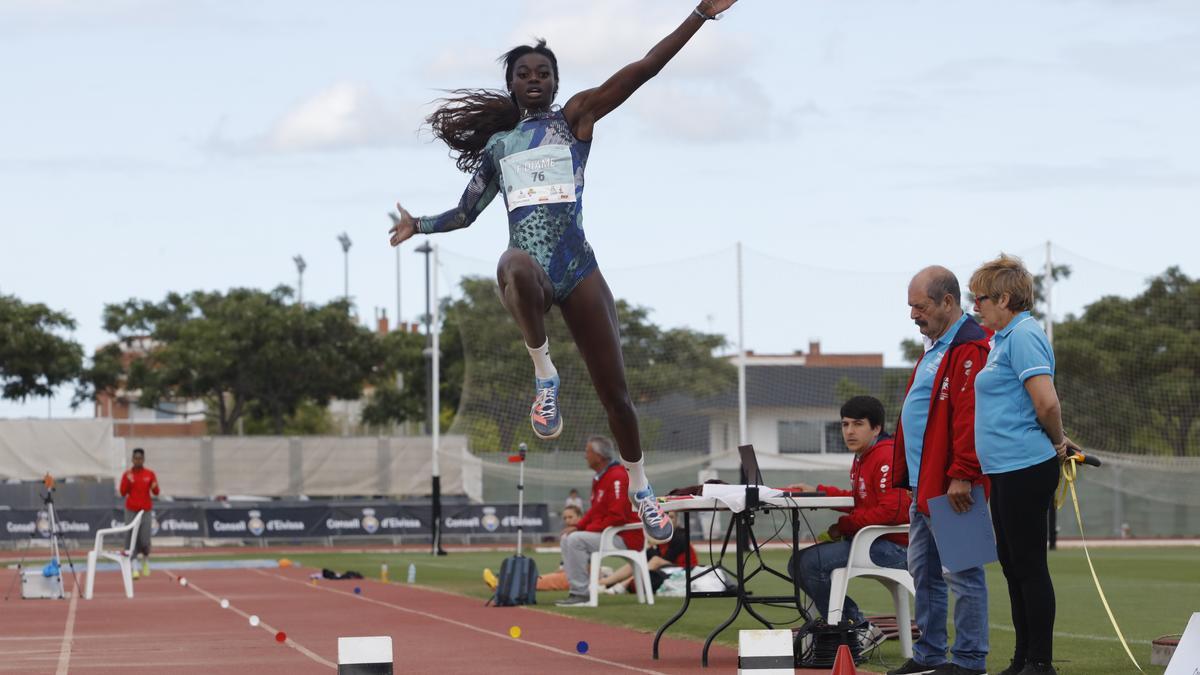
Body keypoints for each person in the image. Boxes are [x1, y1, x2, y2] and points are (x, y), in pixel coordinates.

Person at [387, 0, 739, 544]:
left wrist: (700, 14)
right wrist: (420, 225)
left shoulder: (575, 118)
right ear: (510, 84)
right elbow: (465, 213)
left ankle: (642, 488)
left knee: (616, 397)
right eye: (523, 73)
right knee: (512, 264)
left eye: (543, 73)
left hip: (579, 271)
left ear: (555, 83)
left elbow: (645, 69)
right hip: (532, 268)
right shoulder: (498, 149)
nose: (534, 79)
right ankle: (543, 371)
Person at [970, 255, 1079, 675]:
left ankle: (1040, 662)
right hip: (1004, 469)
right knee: (1013, 566)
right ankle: (1021, 660)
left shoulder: (1024, 335)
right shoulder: (1002, 339)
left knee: (1029, 566)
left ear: (1004, 297)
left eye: (980, 298)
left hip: (1025, 466)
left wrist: (1057, 442)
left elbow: (1046, 401)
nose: (975, 306)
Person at [890, 267, 991, 675]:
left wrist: (963, 472)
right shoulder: (937, 347)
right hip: (924, 485)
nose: (914, 314)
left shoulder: (970, 347)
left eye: (920, 306)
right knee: (925, 574)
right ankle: (930, 656)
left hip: (953, 485)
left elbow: (972, 417)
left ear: (948, 302)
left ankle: (968, 661)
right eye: (911, 306)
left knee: (964, 573)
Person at [785, 396, 911, 645]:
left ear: (876, 428)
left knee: (808, 563)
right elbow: (859, 499)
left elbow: (893, 512)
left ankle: (857, 627)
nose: (849, 431)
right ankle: (853, 626)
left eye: (858, 424)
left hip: (897, 547)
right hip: (875, 542)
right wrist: (818, 491)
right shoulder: (864, 455)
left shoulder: (886, 455)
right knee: (800, 562)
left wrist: (845, 525)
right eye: (845, 425)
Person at [555, 436, 643, 606]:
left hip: (626, 537)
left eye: (588, 451)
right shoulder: (601, 477)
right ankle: (577, 591)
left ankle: (581, 594)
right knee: (568, 537)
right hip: (611, 534)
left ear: (599, 455)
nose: (585, 456)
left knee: (575, 540)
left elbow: (618, 517)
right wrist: (578, 526)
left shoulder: (617, 476)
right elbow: (595, 510)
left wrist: (586, 530)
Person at [483, 504, 581, 592]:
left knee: (540, 581)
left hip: (579, 576)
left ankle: (500, 585)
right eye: (565, 518)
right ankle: (503, 582)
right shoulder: (566, 536)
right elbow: (567, 559)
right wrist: (562, 569)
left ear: (580, 517)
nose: (567, 520)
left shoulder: (582, 536)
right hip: (569, 573)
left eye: (570, 517)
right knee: (540, 579)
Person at [599, 512, 696, 595]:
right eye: (663, 517)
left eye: (671, 517)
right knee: (637, 561)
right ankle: (602, 583)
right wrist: (651, 546)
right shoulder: (661, 535)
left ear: (677, 520)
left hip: (685, 570)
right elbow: (649, 556)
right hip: (665, 569)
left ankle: (623, 584)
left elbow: (665, 559)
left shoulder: (680, 536)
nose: (667, 520)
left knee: (655, 561)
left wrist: (652, 545)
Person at [118, 447, 159, 579]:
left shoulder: (150, 474)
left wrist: (154, 486)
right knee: (131, 538)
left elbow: (156, 492)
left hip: (145, 511)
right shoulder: (127, 475)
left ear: (143, 459)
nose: (138, 460)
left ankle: (145, 560)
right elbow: (122, 492)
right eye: (135, 458)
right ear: (132, 459)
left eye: (140, 458)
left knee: (145, 539)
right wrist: (127, 482)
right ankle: (134, 566)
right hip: (131, 510)